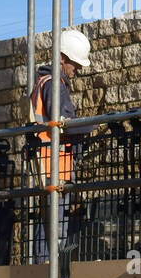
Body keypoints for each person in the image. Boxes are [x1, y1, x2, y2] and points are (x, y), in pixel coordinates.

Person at [29, 29, 93, 262]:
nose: (77, 70)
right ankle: (48, 274)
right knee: (55, 226)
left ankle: (43, 270)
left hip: (49, 164)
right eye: (75, 65)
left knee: (49, 222)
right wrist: (92, 126)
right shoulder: (54, 84)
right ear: (63, 58)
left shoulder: (43, 82)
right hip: (54, 165)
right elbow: (63, 123)